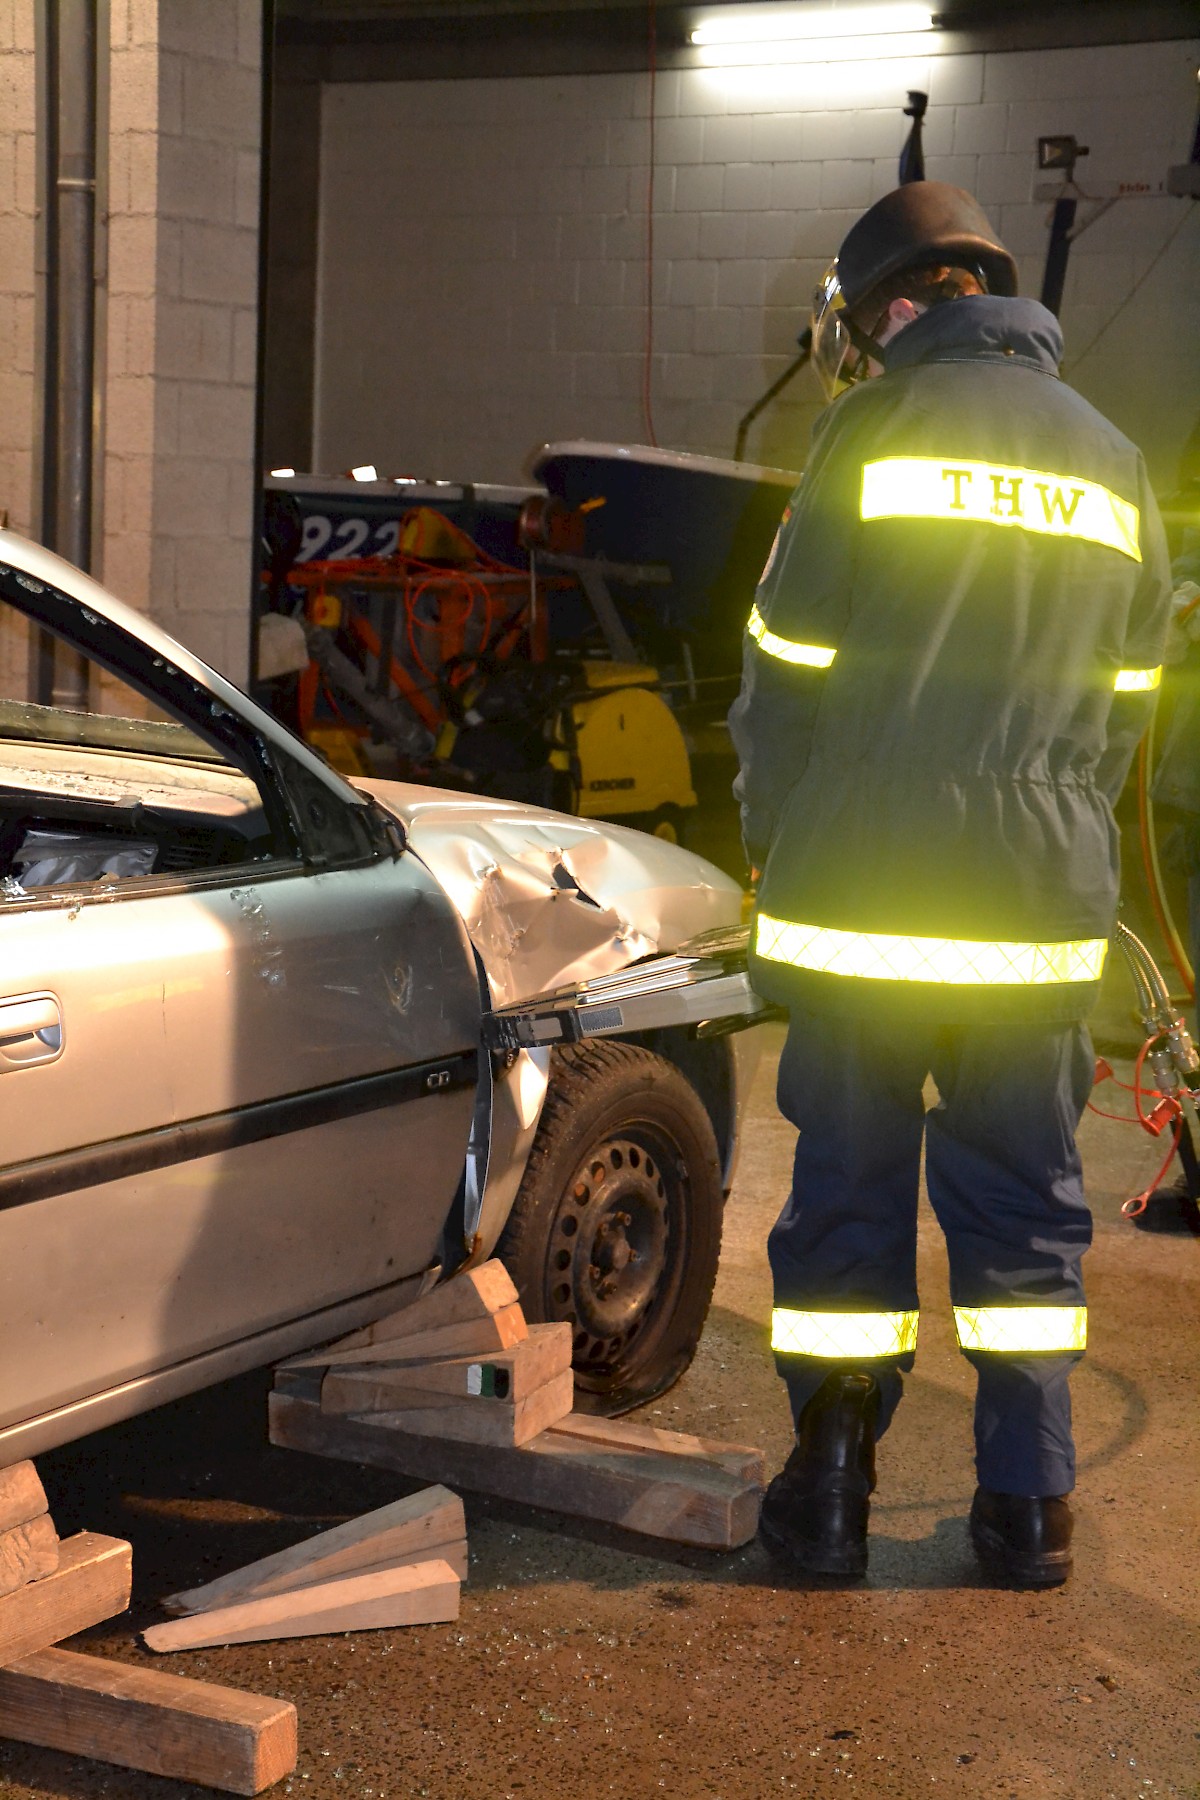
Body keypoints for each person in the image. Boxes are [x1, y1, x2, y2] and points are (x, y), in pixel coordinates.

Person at [728, 181, 1173, 1587]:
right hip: (1035, 914)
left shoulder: (866, 431)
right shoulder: (1116, 463)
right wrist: (1049, 825)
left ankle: (833, 1493)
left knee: (847, 1198)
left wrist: (776, 833)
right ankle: (1026, 1512)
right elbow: (1124, 710)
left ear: (899, 309)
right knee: (1027, 1205)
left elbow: (783, 681)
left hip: (862, 898)